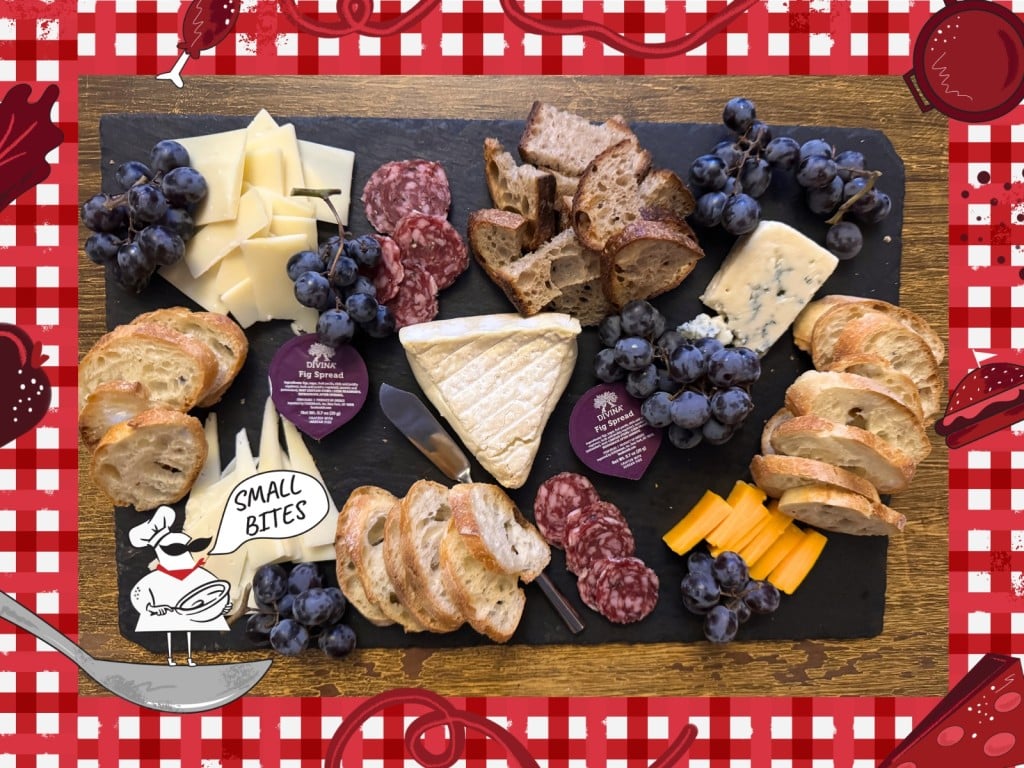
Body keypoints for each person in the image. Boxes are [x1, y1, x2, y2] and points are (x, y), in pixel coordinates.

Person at [128, 506, 231, 666]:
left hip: (196, 614)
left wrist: (223, 606)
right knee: (169, 630)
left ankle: (190, 658)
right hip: (164, 612)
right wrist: (150, 608)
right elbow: (138, 594)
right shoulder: (157, 578)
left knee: (190, 630)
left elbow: (213, 589)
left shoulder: (197, 574)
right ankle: (170, 658)